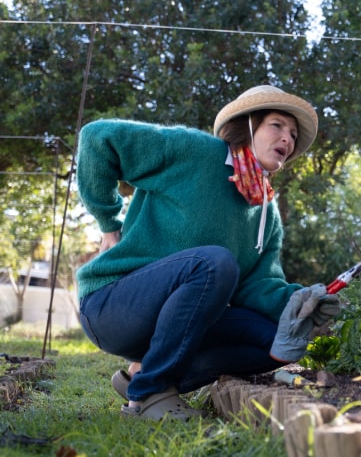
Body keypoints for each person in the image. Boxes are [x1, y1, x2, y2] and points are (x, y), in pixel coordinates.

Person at [76, 85, 340, 421]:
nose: (287, 139)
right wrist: (108, 223)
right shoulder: (195, 151)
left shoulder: (264, 211)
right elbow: (98, 137)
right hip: (113, 305)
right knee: (214, 262)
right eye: (277, 125)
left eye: (293, 133)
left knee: (279, 341)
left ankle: (143, 375)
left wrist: (303, 303)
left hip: (171, 319)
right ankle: (149, 395)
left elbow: (257, 287)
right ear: (248, 125)